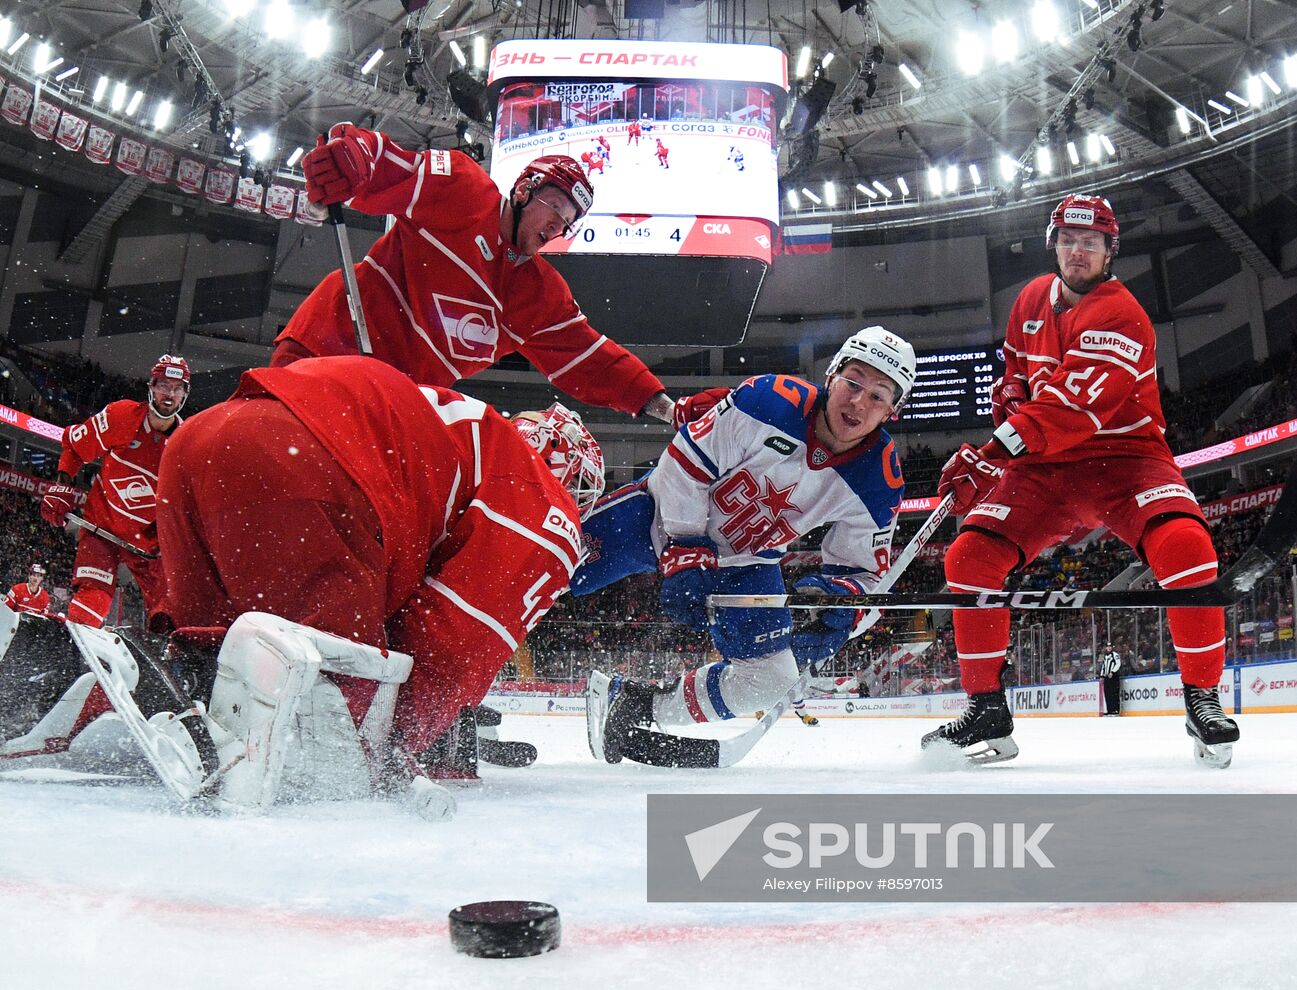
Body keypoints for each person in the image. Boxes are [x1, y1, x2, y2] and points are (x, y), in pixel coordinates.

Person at [153, 355, 605, 791]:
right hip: (302, 461)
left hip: (199, 441)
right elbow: (457, 641)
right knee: (332, 691)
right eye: (580, 490)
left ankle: (162, 697)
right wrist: (398, 742)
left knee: (215, 646)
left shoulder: (465, 427)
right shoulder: (539, 492)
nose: (575, 504)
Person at [925, 194, 1238, 767]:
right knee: (969, 559)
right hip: (1045, 471)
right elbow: (1017, 381)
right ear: (1054, 243)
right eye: (1069, 239)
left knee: (1188, 548)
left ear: (1109, 250)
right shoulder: (1027, 301)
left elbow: (1072, 405)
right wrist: (1007, 407)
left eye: (1090, 242)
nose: (1078, 250)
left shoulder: (1123, 313)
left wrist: (995, 450)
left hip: (1126, 459)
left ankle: (1202, 698)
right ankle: (987, 709)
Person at [581, 327, 916, 766]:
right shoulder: (770, 399)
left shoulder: (881, 478)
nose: (858, 402)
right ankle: (466, 698)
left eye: (878, 395)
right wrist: (685, 546)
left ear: (893, 409)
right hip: (656, 514)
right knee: (545, 566)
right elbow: (686, 459)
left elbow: (861, 571)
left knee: (771, 680)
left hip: (745, 562)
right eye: (853, 382)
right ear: (832, 376)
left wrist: (837, 607)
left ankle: (636, 706)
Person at [280, 128, 677, 425]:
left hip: (391, 405)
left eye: (568, 221)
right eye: (555, 206)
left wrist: (666, 408)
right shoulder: (461, 188)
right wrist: (356, 156)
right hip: (330, 344)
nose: (559, 225)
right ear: (523, 190)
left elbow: (594, 362)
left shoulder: (540, 296)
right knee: (266, 441)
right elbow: (391, 165)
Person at [39, 355, 190, 629]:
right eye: (163, 385)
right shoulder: (121, 417)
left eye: (177, 387)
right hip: (102, 529)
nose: (169, 394)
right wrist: (61, 484)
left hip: (147, 546)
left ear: (185, 394)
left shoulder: (187, 445)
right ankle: (74, 663)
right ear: (151, 387)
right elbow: (75, 446)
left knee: (172, 617)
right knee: (91, 603)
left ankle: (160, 667)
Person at [1098, 642, 1122, 716]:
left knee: (1114, 693)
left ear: (1112, 647)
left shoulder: (1115, 655)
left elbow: (1118, 664)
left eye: (1110, 646)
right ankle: (1110, 710)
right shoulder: (1105, 656)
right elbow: (1104, 666)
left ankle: (1115, 710)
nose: (1109, 648)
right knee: (1107, 693)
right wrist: (1102, 676)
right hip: (1107, 677)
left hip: (1113, 677)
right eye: (1107, 646)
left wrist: (1112, 672)